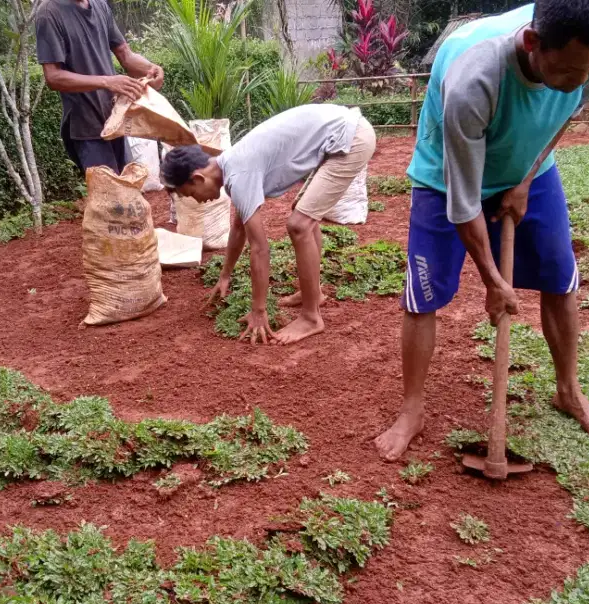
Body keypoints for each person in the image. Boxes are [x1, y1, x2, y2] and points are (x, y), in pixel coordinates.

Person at [375, 0, 589, 462]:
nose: (581, 81)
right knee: (422, 294)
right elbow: (464, 203)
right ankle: (413, 410)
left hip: (529, 166)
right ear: (533, 44)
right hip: (446, 176)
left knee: (559, 275)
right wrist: (494, 281)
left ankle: (568, 390)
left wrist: (527, 178)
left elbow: (565, 115)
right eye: (570, 71)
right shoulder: (473, 81)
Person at [160, 103, 377, 345]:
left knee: (299, 224)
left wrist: (258, 310)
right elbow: (239, 226)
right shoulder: (231, 164)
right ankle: (314, 294)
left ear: (198, 178)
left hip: (350, 138)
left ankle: (311, 317)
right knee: (304, 215)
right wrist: (225, 275)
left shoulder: (238, 174)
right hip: (341, 132)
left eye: (189, 193)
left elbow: (260, 248)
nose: (196, 200)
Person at [35, 0, 164, 174]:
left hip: (115, 120)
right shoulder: (49, 12)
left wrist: (151, 69)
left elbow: (125, 54)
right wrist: (107, 82)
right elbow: (53, 77)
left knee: (128, 190)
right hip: (86, 127)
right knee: (109, 196)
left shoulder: (100, 5)